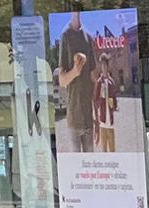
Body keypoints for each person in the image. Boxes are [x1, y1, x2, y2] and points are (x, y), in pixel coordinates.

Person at [56, 5, 96, 153]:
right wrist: (75, 71)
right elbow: (62, 81)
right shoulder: (65, 36)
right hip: (73, 120)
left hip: (88, 120)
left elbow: (93, 78)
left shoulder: (88, 38)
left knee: (91, 167)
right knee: (76, 169)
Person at [94, 52, 118, 152]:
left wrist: (113, 105)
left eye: (105, 65)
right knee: (104, 152)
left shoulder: (111, 82)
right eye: (102, 65)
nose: (104, 67)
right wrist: (101, 97)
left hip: (111, 123)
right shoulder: (99, 82)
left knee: (113, 151)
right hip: (103, 124)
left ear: (107, 66)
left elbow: (115, 102)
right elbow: (95, 103)